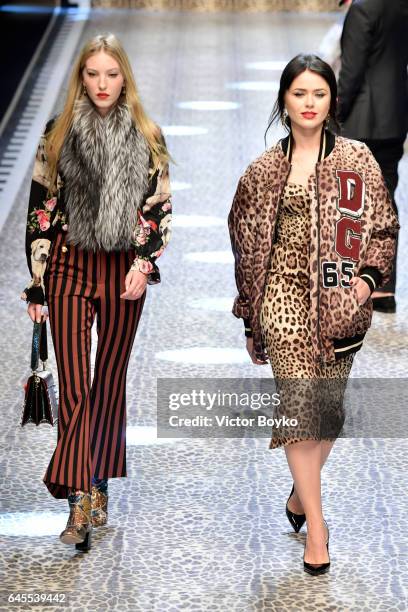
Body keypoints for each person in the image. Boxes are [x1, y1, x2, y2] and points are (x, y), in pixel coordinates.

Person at [228, 54, 398, 575]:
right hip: (281, 301)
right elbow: (242, 236)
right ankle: (318, 534)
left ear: (332, 101)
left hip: (339, 306)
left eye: (318, 94)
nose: (308, 103)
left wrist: (366, 285)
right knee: (301, 407)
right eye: (299, 94)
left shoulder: (356, 159)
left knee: (328, 415)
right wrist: (252, 313)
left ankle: (301, 498)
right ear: (284, 99)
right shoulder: (263, 171)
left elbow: (385, 226)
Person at [20, 33, 172, 551]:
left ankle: (99, 476)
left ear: (124, 76)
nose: (102, 84)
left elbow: (158, 208)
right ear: (80, 78)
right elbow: (39, 212)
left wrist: (145, 263)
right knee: (76, 384)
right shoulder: (56, 135)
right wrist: (36, 285)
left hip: (122, 272)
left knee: (107, 378)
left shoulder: (148, 135)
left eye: (111, 74)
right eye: (92, 74)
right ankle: (78, 498)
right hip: (67, 267)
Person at [337, 0, 408, 313]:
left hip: (361, 122)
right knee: (386, 203)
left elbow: (351, 71)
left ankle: (353, 285)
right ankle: (383, 288)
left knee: (352, 205)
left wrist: (333, 114)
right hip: (394, 118)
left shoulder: (362, 10)